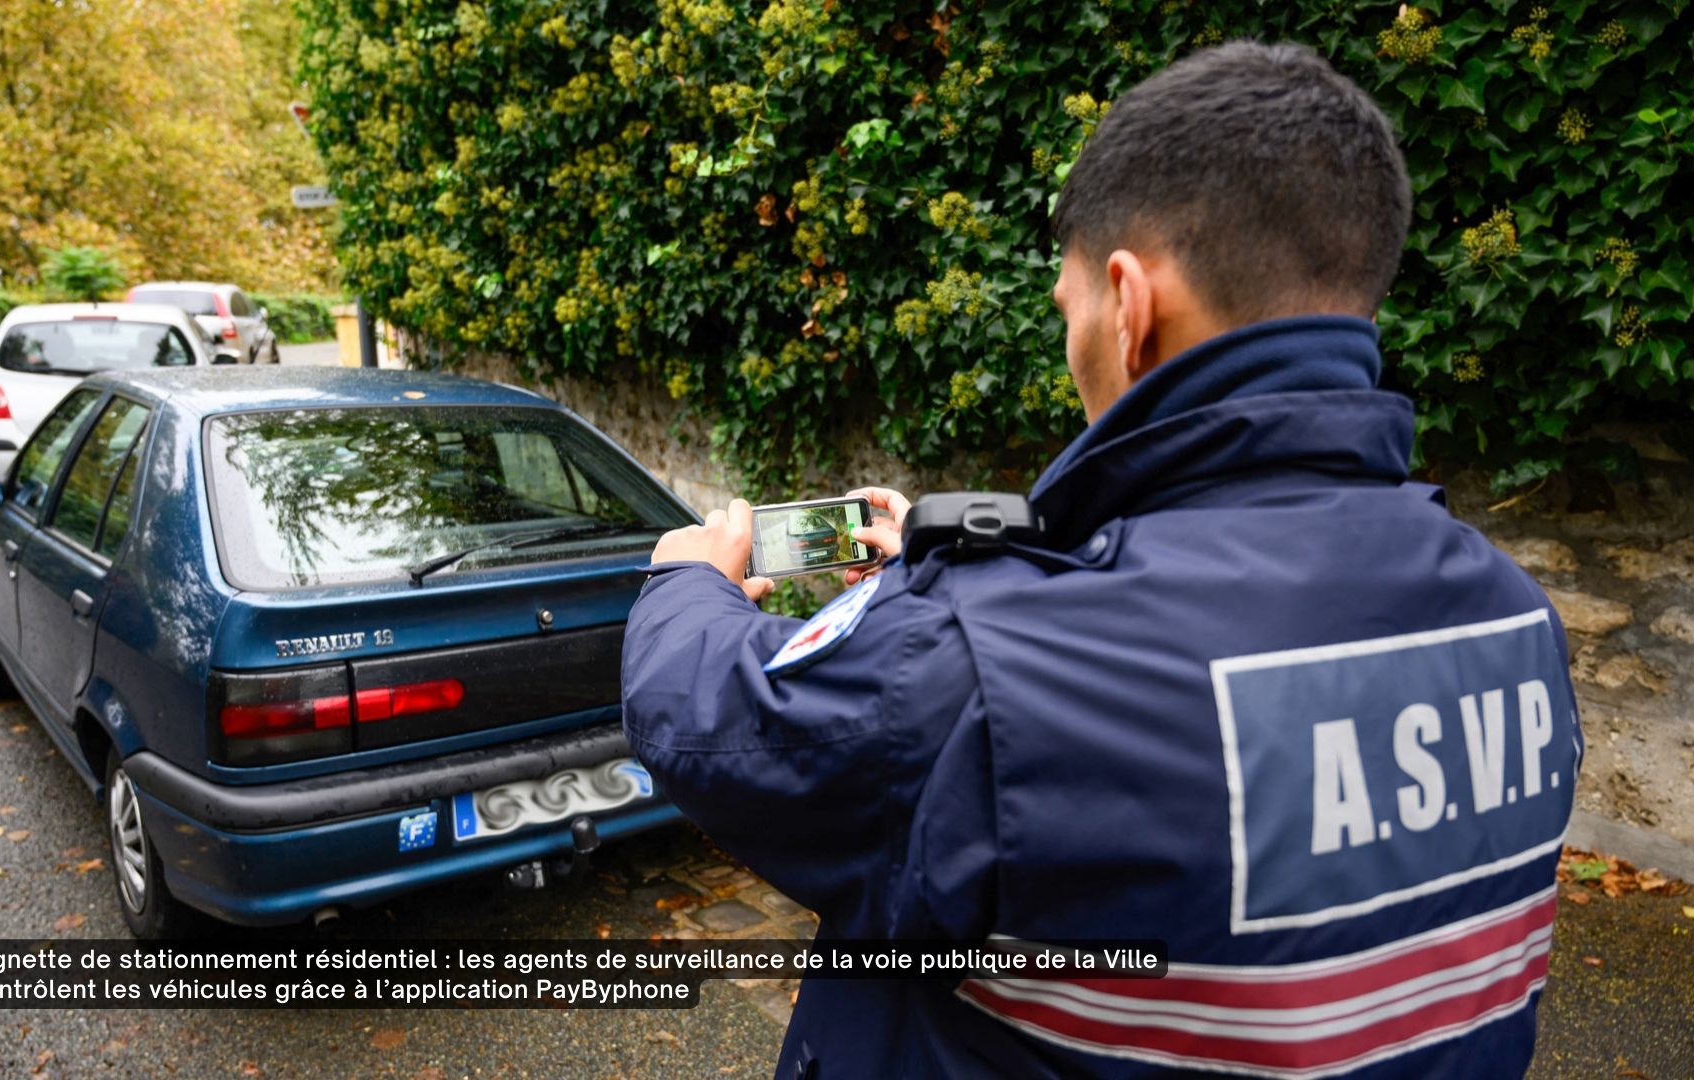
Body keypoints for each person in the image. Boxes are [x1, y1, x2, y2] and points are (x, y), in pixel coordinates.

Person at [620, 41, 1581, 1079]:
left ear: (1129, 303)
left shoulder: (980, 669)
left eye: (1068, 307)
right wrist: (978, 569)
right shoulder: (1515, 618)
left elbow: (722, 716)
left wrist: (688, 580)